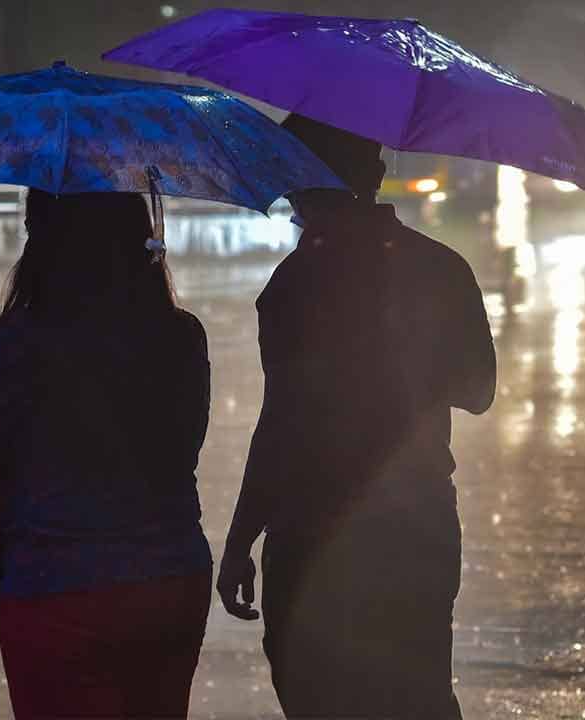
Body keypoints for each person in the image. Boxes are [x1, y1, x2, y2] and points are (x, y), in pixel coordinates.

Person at [216, 114, 497, 719]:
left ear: (301, 187)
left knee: (316, 696)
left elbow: (280, 425)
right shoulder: (443, 268)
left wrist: (241, 538)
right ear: (376, 174)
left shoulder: (293, 285)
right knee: (418, 693)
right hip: (417, 528)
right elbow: (478, 393)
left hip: (312, 534)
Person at [0, 190, 213, 719]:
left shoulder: (30, 338)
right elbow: (183, 445)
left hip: (61, 584)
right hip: (171, 580)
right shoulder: (181, 336)